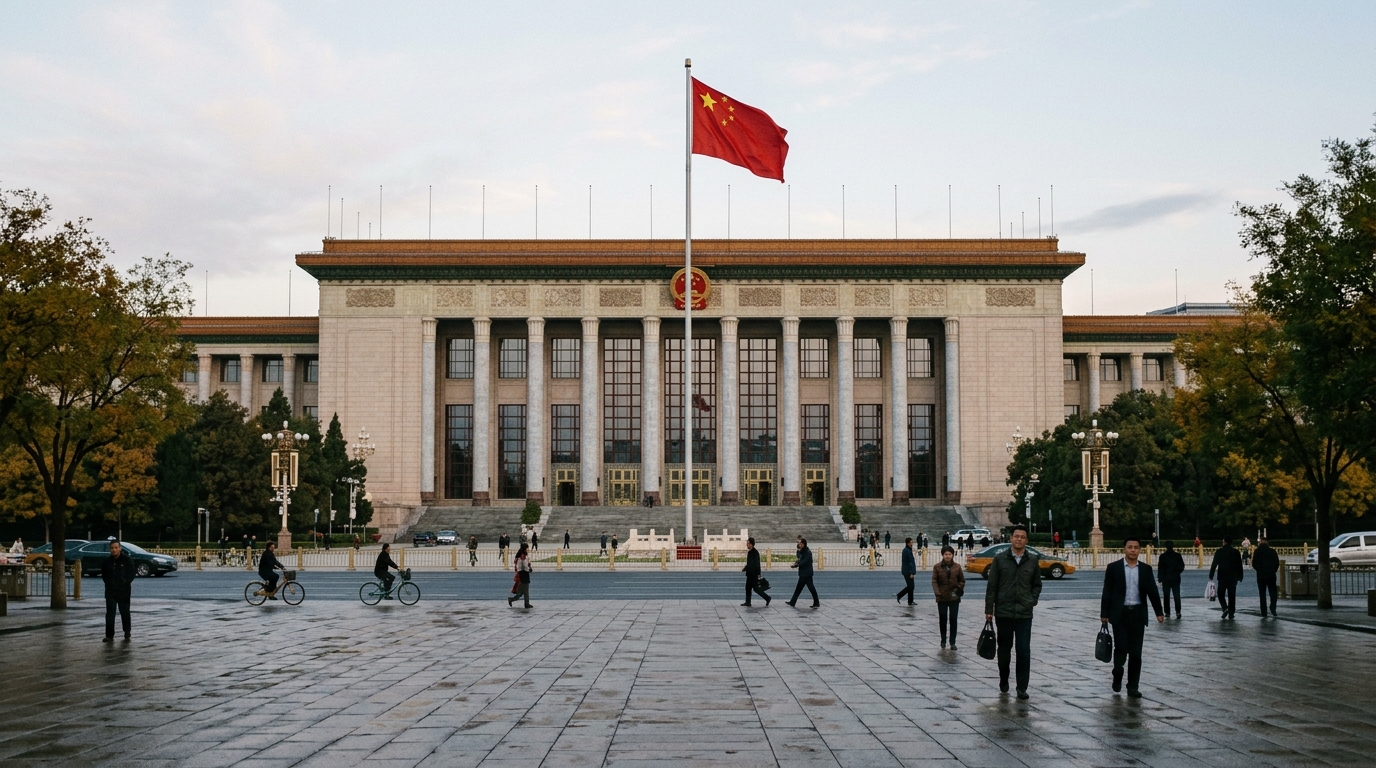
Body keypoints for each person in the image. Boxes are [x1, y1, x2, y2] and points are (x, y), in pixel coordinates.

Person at [1100, 536, 1165, 698]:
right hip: (1119, 614)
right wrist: (1104, 614)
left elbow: (1152, 591)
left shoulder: (1145, 569)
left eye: (1136, 547)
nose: (1133, 550)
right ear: (1124, 549)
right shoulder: (1114, 568)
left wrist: (1159, 612)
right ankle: (1117, 672)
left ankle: (1133, 686)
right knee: (1121, 648)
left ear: (1139, 550)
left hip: (1137, 614)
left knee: (1136, 653)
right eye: (1130, 547)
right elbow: (1107, 591)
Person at [985, 525, 1041, 699]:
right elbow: (992, 586)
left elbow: (1037, 585)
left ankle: (1022, 687)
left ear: (1026, 540)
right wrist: (989, 610)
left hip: (1024, 613)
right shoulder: (1000, 559)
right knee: (1004, 649)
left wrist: (1032, 600)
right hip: (1004, 612)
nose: (1019, 539)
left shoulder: (1032, 560)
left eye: (1022, 537)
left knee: (1023, 650)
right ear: (1010, 538)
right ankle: (1004, 679)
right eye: (1016, 536)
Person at [100, 538, 136, 641]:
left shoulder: (127, 560)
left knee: (125, 612)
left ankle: (127, 632)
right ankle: (109, 635)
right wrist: (109, 584)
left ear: (120, 548)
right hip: (110, 591)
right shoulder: (107, 562)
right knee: (110, 614)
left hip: (123, 591)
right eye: (112, 548)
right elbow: (104, 575)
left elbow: (131, 574)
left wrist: (125, 583)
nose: (114, 550)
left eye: (116, 547)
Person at [933, 544, 966, 649]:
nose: (947, 556)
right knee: (942, 620)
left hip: (954, 598)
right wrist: (937, 593)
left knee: (953, 619)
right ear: (943, 555)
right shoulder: (937, 567)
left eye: (949, 554)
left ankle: (952, 642)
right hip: (942, 597)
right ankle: (943, 640)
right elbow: (934, 581)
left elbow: (962, 580)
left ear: (952, 555)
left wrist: (957, 589)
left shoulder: (957, 567)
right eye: (946, 554)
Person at [1209, 535, 1244, 620]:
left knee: (1220, 594)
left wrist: (1211, 575)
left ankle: (1225, 608)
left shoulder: (1219, 551)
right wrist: (1240, 576)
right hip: (1233, 577)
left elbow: (1214, 564)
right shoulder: (1236, 552)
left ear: (1224, 542)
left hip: (1222, 576)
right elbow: (1239, 565)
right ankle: (1231, 613)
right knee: (1232, 595)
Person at [1252, 537, 1280, 618]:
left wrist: (1259, 570)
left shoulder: (1257, 551)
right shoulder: (1272, 551)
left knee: (1262, 594)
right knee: (1273, 593)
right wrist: (1273, 570)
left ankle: (1264, 611)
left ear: (1260, 542)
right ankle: (1273, 608)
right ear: (1267, 542)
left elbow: (1254, 563)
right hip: (1271, 575)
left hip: (1261, 575)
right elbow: (1276, 563)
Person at [1156, 541, 1185, 619]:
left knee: (1166, 596)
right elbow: (1182, 566)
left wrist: (1160, 578)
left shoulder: (1163, 556)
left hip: (1166, 579)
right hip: (1175, 578)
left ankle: (1167, 612)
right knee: (1176, 596)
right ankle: (1178, 612)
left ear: (1166, 546)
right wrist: (1177, 572)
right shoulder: (1177, 555)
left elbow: (1160, 568)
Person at [787, 537, 819, 608]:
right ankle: (792, 602)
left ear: (803, 544)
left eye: (799, 543)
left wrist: (796, 565)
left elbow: (803, 562)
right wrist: (798, 553)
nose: (798, 545)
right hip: (803, 573)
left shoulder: (807, 552)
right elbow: (799, 559)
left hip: (807, 574)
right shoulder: (801, 552)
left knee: (811, 589)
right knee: (799, 589)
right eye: (798, 543)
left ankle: (816, 603)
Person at [741, 537, 770, 606]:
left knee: (755, 589)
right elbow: (749, 563)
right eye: (747, 543)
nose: (747, 545)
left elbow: (757, 564)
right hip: (750, 574)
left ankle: (767, 598)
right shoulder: (750, 552)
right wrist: (745, 568)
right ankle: (748, 602)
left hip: (753, 575)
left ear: (751, 544)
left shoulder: (755, 552)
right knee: (748, 588)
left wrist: (758, 574)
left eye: (748, 543)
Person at [508, 542, 533, 608]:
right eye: (527, 548)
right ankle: (526, 604)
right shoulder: (523, 556)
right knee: (525, 590)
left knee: (522, 592)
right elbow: (524, 565)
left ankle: (512, 599)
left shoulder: (521, 555)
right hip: (524, 573)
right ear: (525, 548)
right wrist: (528, 569)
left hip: (522, 573)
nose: (528, 549)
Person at [896, 538, 918, 605]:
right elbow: (910, 562)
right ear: (908, 543)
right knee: (911, 586)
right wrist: (912, 572)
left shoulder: (906, 550)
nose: (912, 544)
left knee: (911, 586)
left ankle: (910, 601)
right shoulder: (907, 551)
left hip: (906, 570)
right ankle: (899, 595)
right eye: (911, 542)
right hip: (908, 571)